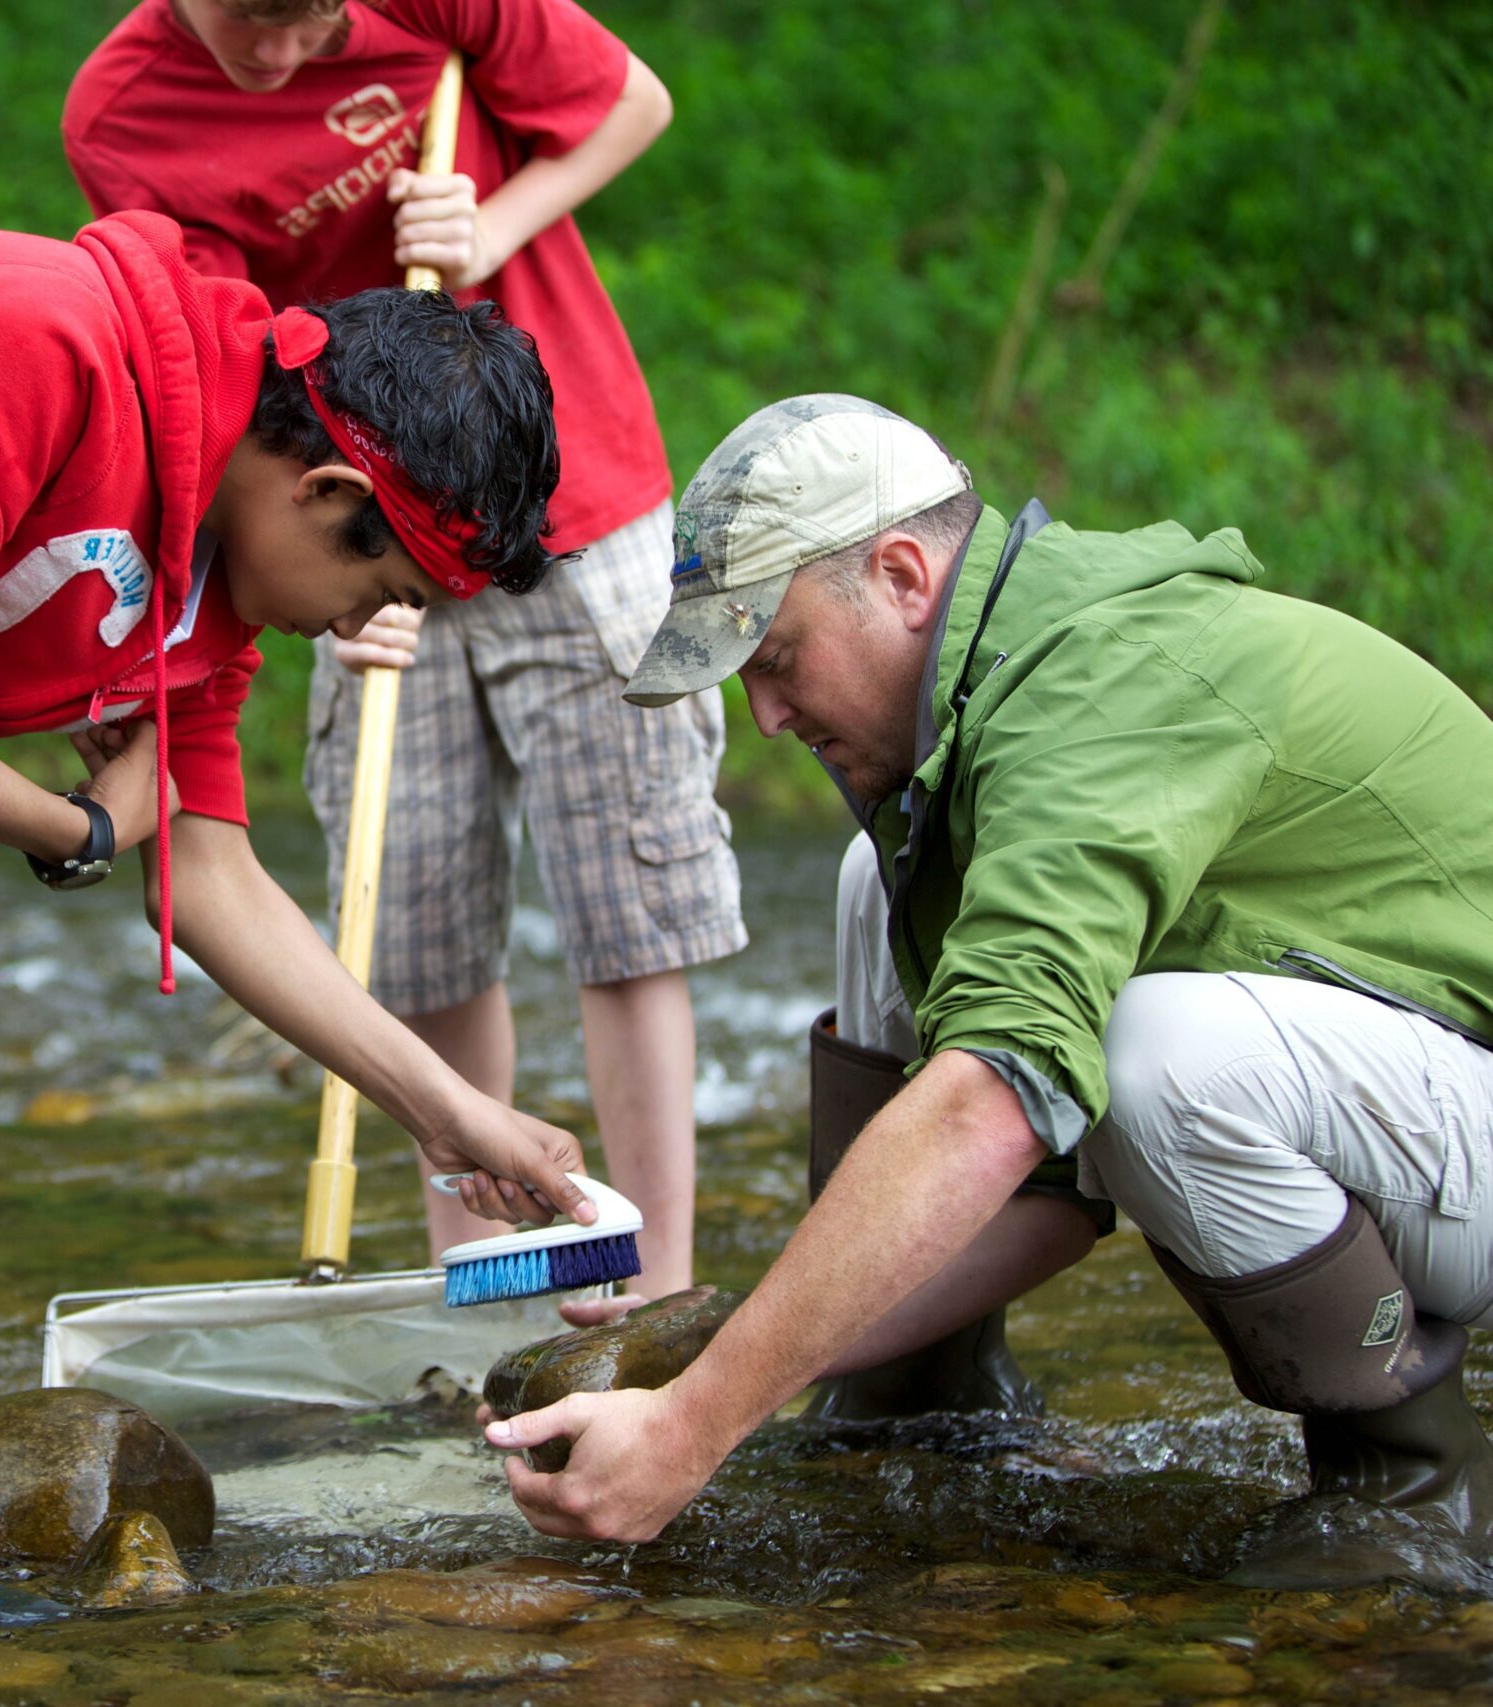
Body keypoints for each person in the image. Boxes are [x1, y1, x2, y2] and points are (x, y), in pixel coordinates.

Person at [0, 208, 600, 1617]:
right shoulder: (43, 342)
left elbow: (209, 873)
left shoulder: (210, 573)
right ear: (320, 489)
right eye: (375, 588)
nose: (349, 626)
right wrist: (78, 824)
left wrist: (445, 1110)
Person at [486, 393, 1493, 1594]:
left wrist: (693, 1426)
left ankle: (1417, 1486)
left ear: (903, 574)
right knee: (875, 877)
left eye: (776, 656)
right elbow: (1050, 1196)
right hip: (1412, 1106)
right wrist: (734, 1352)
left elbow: (991, 1114)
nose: (762, 716)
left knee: (1150, 1048)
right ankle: (916, 1406)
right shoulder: (990, 713)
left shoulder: (1103, 691)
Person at [65, 0, 747, 1294]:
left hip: (570, 501)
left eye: (307, 25)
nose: (273, 61)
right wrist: (317, 583)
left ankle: (656, 1289)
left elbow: (632, 103)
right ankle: (482, 1283)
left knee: (627, 907)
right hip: (346, 527)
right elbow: (225, 361)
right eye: (243, 28)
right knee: (420, 911)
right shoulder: (122, 112)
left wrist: (496, 222)